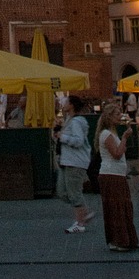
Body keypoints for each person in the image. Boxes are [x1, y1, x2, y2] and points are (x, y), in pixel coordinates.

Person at [95, 103, 139, 252]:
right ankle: (118, 240)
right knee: (116, 208)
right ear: (109, 117)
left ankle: (130, 239)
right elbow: (117, 154)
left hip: (118, 174)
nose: (120, 117)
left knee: (125, 207)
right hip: (110, 174)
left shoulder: (112, 132)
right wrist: (124, 138)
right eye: (117, 114)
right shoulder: (106, 134)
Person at [58, 95, 94, 233]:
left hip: (75, 161)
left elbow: (78, 141)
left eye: (66, 102)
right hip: (67, 160)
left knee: (74, 193)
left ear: (72, 105)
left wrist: (63, 137)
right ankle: (84, 213)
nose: (64, 104)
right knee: (62, 192)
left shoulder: (77, 122)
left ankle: (80, 223)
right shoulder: (69, 120)